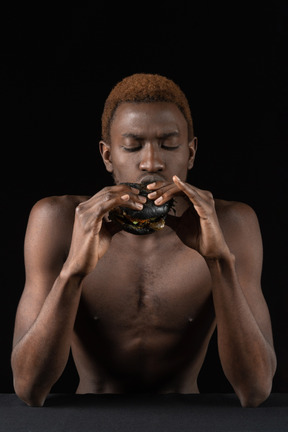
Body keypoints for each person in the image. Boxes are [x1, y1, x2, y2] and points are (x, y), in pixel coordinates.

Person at [11, 73, 276, 407]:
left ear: (191, 153)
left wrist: (219, 261)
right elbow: (29, 388)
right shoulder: (58, 220)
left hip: (188, 420)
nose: (152, 162)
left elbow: (254, 390)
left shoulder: (234, 224)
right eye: (132, 146)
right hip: (90, 419)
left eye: (169, 145)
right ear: (108, 156)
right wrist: (73, 272)